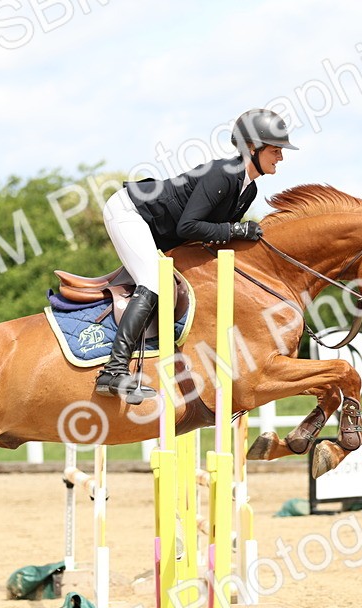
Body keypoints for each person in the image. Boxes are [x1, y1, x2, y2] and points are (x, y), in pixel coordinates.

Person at [95, 108, 297, 403]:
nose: (281, 157)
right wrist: (238, 231)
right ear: (252, 148)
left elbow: (208, 236)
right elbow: (188, 226)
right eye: (276, 150)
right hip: (129, 212)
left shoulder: (248, 190)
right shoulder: (223, 174)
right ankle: (112, 370)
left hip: (158, 229)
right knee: (153, 281)